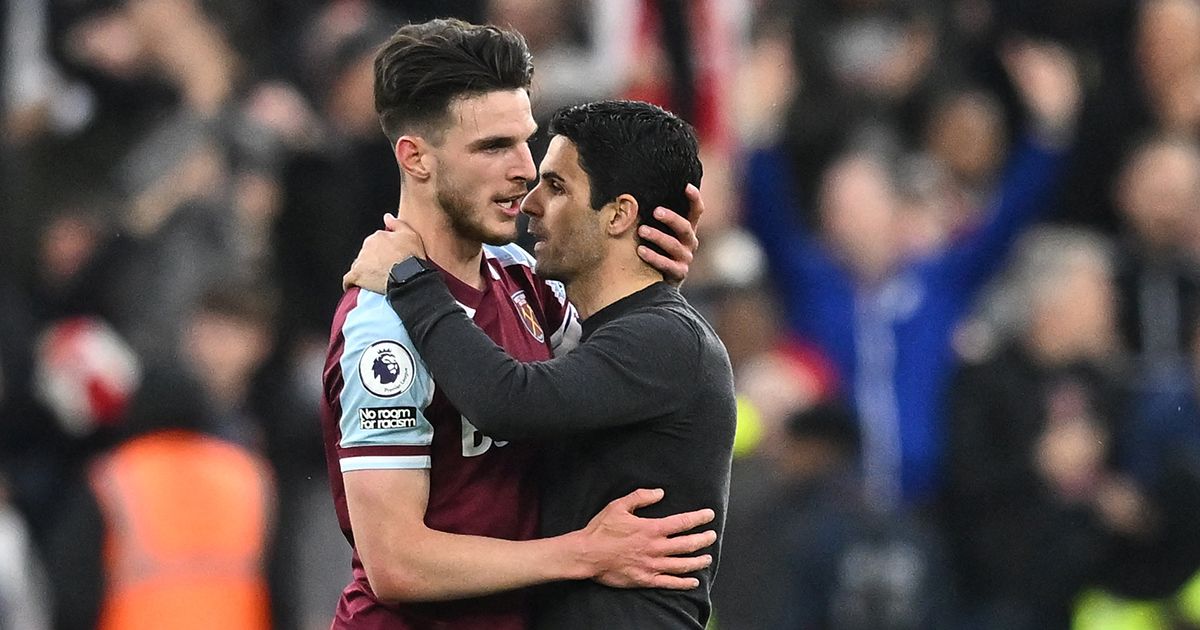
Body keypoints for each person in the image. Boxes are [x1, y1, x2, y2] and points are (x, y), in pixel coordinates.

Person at [319, 19, 711, 630]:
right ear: (415, 157)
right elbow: (396, 562)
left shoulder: (524, 281)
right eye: (492, 147)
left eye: (525, 141)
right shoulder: (382, 325)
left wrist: (645, 263)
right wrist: (581, 555)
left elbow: (610, 369)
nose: (524, 170)